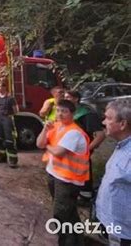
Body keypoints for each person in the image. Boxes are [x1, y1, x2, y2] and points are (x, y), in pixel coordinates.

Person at [36, 99, 90, 246]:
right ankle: (78, 241)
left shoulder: (74, 132)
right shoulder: (56, 126)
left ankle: (67, 242)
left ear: (72, 114)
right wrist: (45, 130)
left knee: (61, 214)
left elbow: (58, 152)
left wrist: (48, 146)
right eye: (58, 110)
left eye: (64, 111)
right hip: (55, 175)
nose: (60, 114)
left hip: (68, 180)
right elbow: (39, 143)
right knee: (69, 212)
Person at [96, 99, 131, 246]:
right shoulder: (121, 147)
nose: (104, 122)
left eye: (109, 118)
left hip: (125, 233)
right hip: (115, 226)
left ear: (122, 124)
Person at [64, 90, 105, 203]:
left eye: (68, 97)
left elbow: (100, 135)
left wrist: (87, 150)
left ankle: (85, 196)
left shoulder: (87, 114)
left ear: (76, 99)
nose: (65, 99)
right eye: (65, 97)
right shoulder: (69, 113)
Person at [0, 81, 20, 167]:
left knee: (9, 140)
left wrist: (9, 116)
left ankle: (13, 160)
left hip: (7, 119)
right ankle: (2, 157)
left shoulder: (10, 98)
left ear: (5, 87)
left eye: (0, 86)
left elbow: (16, 110)